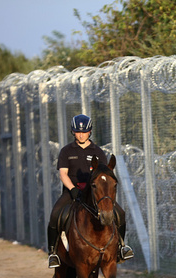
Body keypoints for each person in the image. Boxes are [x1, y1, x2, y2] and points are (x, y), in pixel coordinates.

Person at [47, 114, 134, 268]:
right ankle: (53, 253)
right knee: (55, 215)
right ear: (73, 132)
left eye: (84, 132)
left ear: (90, 132)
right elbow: (63, 174)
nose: (81, 134)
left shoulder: (98, 152)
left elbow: (104, 175)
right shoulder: (66, 151)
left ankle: (121, 247)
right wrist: (73, 190)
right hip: (71, 191)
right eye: (77, 131)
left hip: (94, 194)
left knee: (120, 213)